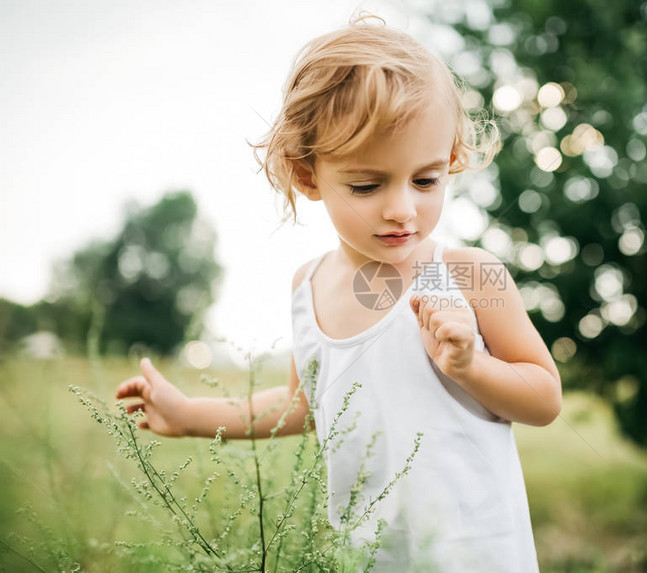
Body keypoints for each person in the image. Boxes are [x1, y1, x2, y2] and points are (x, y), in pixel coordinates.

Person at [115, 13, 562, 572]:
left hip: (476, 555)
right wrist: (189, 414)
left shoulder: (471, 273)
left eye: (426, 180)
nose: (403, 209)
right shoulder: (307, 286)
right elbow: (299, 405)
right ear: (308, 176)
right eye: (367, 185)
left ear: (450, 160)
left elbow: (544, 397)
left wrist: (470, 366)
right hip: (369, 558)